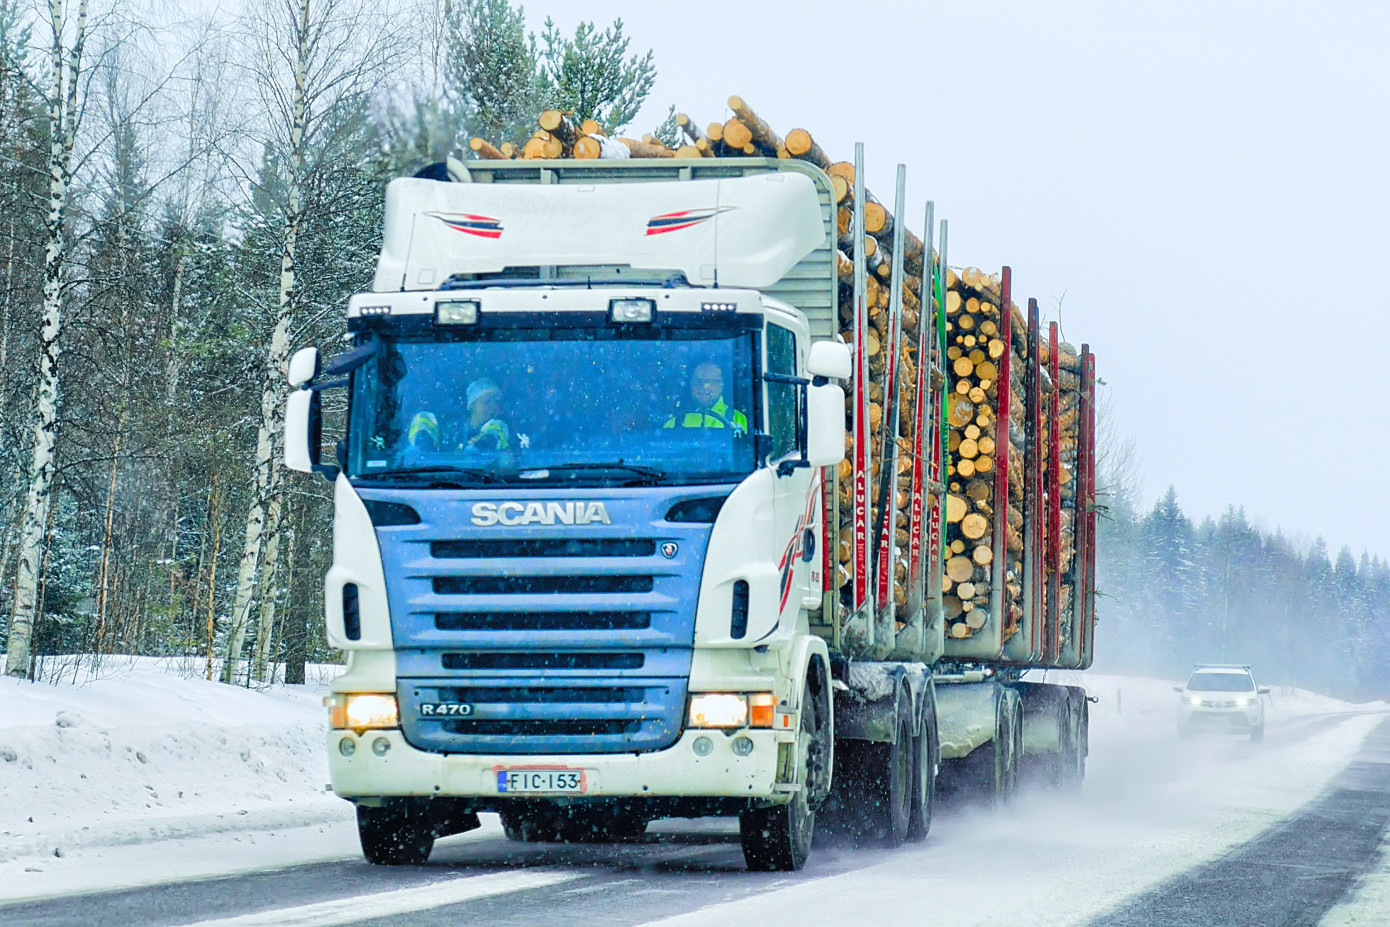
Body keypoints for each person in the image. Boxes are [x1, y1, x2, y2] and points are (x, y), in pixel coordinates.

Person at [404, 376, 511, 457]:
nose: (493, 407)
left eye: (497, 403)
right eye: (487, 402)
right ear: (471, 405)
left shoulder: (499, 428)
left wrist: (480, 447)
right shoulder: (448, 429)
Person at [664, 361, 747, 434]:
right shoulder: (673, 425)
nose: (704, 386)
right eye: (698, 381)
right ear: (690, 385)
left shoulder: (737, 419)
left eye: (711, 381)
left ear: (722, 385)